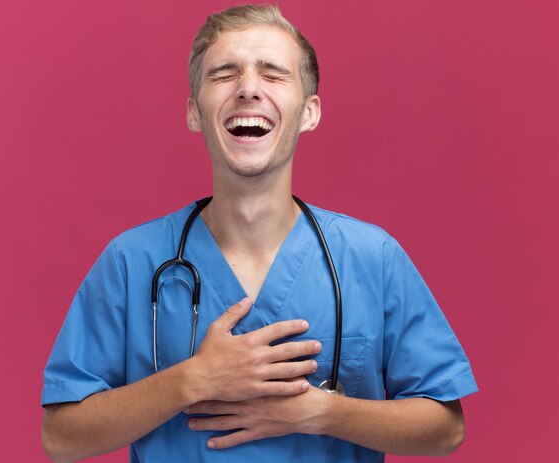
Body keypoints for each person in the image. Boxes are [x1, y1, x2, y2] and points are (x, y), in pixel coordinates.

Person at [41, 5, 477, 463]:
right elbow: (62, 437)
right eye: (224, 74)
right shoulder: (132, 261)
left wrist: (319, 413)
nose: (248, 88)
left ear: (309, 113)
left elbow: (445, 428)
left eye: (273, 74)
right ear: (194, 112)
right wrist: (192, 380)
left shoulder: (372, 258)